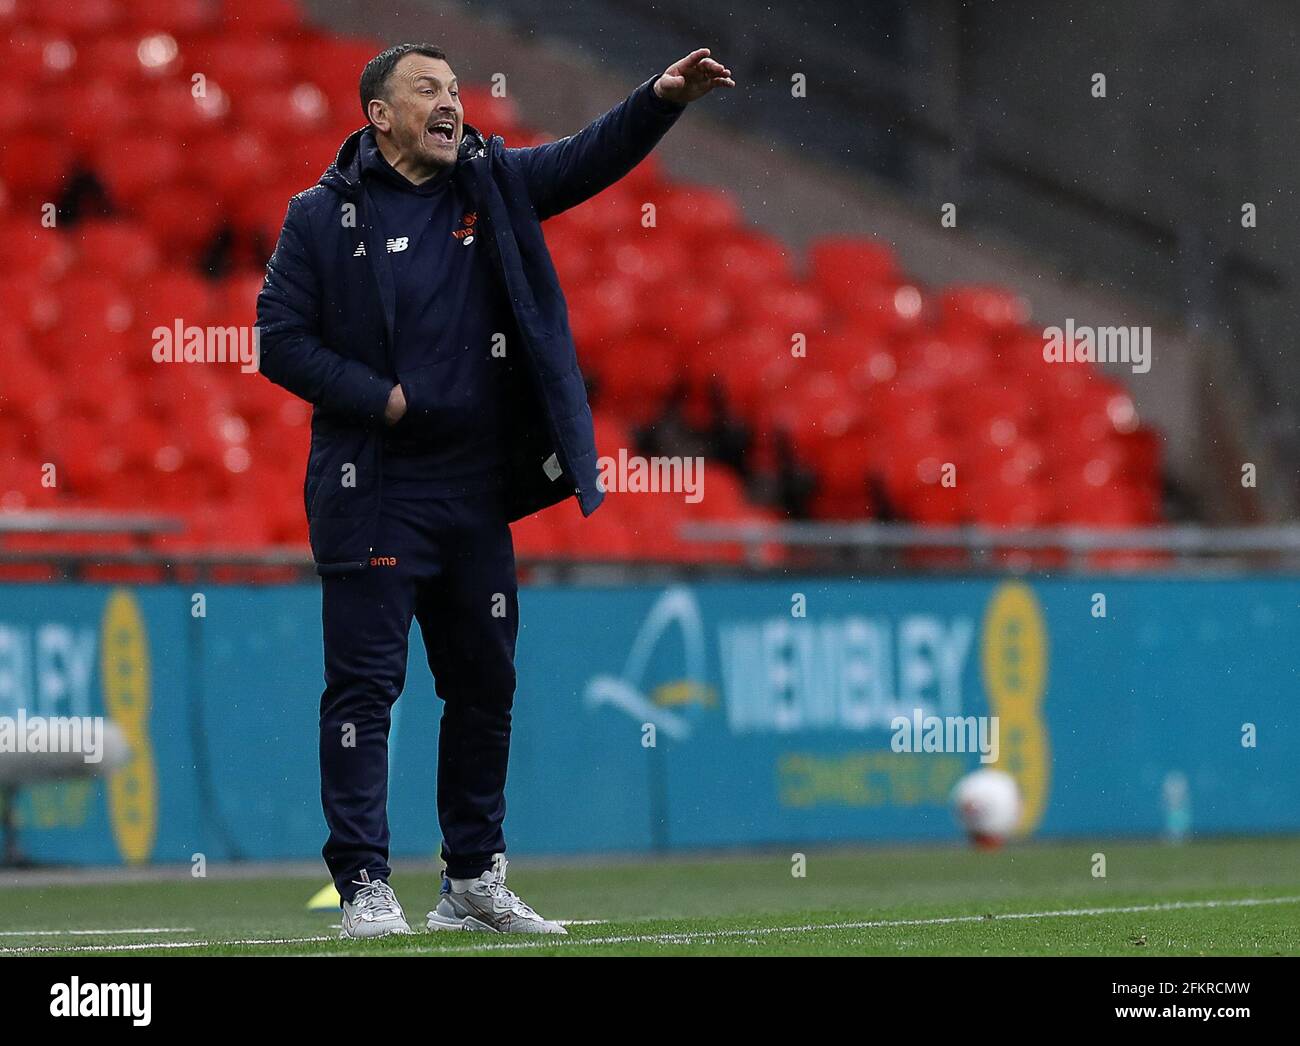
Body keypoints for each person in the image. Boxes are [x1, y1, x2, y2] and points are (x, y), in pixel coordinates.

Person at [256, 42, 733, 937]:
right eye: (426, 90)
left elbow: (583, 160)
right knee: (364, 692)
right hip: (375, 491)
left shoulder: (491, 183)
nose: (450, 104)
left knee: (485, 686)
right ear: (379, 116)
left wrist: (660, 96)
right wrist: (381, 399)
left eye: (454, 90)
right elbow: (276, 339)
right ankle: (363, 884)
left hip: (474, 495)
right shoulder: (319, 217)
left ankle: (472, 880)